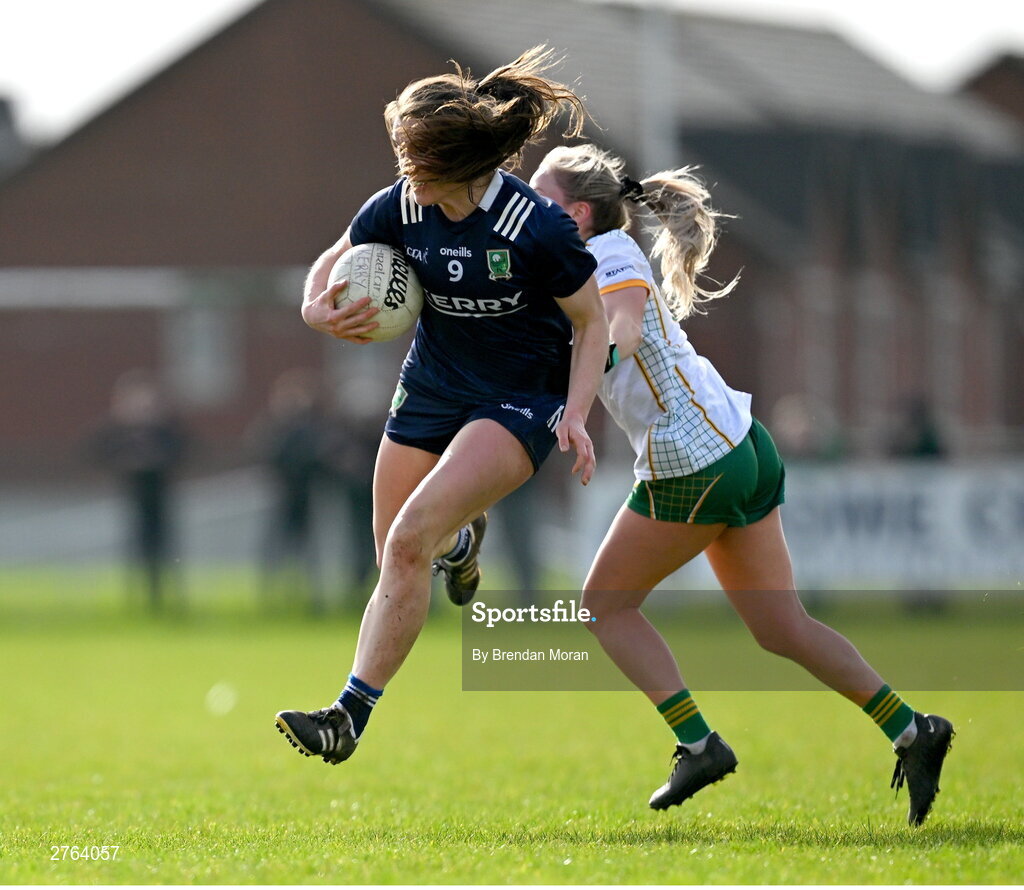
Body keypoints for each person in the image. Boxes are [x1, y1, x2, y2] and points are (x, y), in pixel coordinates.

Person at [529, 144, 954, 826]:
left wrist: (574, 407)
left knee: (604, 607)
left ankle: (698, 745)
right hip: (742, 442)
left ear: (577, 213)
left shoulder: (604, 255)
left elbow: (626, 330)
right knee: (782, 626)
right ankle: (914, 730)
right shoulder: (577, 261)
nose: (525, 205)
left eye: (538, 194)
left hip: (694, 457)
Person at [274, 48, 609, 766]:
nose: (404, 174)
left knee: (405, 543)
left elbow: (592, 323)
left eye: (416, 160)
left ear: (458, 164)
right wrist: (314, 309)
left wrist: (576, 412)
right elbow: (335, 256)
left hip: (519, 399)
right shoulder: (400, 204)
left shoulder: (534, 228)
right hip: (432, 385)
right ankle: (459, 545)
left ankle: (347, 717)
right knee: (396, 554)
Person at [90, 368, 187, 610]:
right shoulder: (116, 431)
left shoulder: (166, 430)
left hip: (160, 496)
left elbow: (185, 450)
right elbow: (94, 451)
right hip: (134, 497)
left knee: (164, 548)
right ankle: (139, 598)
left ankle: (165, 597)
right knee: (137, 548)